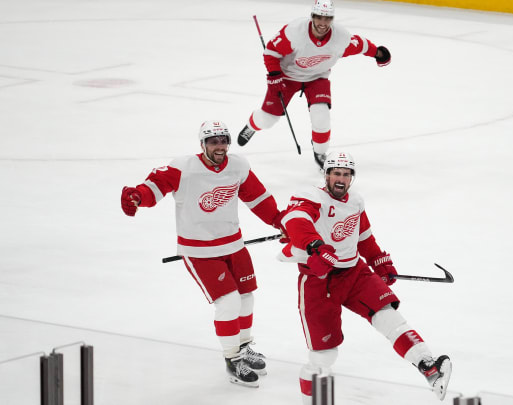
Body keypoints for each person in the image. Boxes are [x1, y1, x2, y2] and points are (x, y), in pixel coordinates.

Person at [277, 151, 452, 403]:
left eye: (346, 174)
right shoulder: (312, 197)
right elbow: (295, 219)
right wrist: (314, 245)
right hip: (319, 282)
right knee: (323, 357)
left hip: (354, 273)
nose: (341, 179)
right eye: (336, 173)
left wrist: (379, 261)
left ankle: (429, 367)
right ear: (325, 174)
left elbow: (364, 238)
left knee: (389, 316)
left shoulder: (355, 201)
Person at [120, 121, 284, 388]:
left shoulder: (238, 166)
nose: (219, 147)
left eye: (223, 141)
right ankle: (233, 359)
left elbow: (258, 198)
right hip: (200, 250)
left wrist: (281, 220)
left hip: (234, 245)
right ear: (203, 144)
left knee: (246, 298)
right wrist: (138, 196)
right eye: (213, 142)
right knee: (229, 302)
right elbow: (154, 187)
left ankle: (243, 346)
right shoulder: (184, 167)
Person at [236, 0, 391, 169]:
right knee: (267, 120)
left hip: (317, 77)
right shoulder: (294, 32)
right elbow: (271, 52)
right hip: (287, 77)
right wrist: (274, 75)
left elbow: (360, 44)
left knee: (321, 116)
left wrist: (378, 53)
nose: (323, 23)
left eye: (327, 18)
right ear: (312, 16)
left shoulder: (341, 38)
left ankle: (320, 152)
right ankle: (252, 125)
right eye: (319, 17)